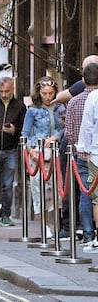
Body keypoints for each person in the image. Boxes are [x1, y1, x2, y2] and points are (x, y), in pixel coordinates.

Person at [22, 76, 66, 234]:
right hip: (38, 153)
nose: (48, 97)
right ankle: (45, 226)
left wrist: (56, 136)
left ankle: (58, 226)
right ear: (39, 93)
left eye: (51, 93)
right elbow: (25, 133)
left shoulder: (61, 108)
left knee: (57, 190)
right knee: (39, 190)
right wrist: (30, 150)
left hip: (56, 153)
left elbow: (66, 127)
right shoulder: (33, 110)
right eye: (44, 93)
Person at [0, 76, 26, 227]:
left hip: (10, 150)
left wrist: (14, 130)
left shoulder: (20, 107)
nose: (3, 94)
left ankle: (6, 214)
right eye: (1, 91)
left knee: (7, 185)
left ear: (12, 89)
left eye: (6, 91)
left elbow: (24, 129)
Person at [65, 63, 98, 247]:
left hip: (84, 153)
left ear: (83, 80)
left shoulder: (74, 101)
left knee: (87, 194)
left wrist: (81, 148)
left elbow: (70, 132)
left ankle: (88, 233)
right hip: (93, 151)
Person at [77, 66, 98, 252]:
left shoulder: (92, 98)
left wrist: (84, 149)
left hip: (95, 154)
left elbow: (87, 126)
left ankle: (94, 235)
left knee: (95, 198)